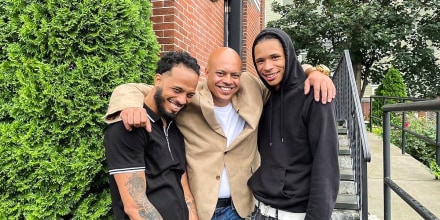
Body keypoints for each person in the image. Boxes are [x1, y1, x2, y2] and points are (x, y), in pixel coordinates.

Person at [104, 47, 335, 220]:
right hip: (201, 208)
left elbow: (285, 79)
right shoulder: (190, 96)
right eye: (221, 73)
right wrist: (129, 106)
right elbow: (134, 89)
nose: (228, 81)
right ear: (207, 73)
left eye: (235, 75)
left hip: (240, 207)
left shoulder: (253, 90)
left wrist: (314, 72)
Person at [247, 28, 339, 220]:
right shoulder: (264, 97)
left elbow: (326, 166)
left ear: (288, 56)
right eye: (260, 61)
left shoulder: (315, 95)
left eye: (275, 57)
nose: (268, 66)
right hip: (260, 211)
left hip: (295, 214)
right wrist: (310, 69)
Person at [103, 51, 200, 220]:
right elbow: (136, 206)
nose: (182, 100)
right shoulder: (127, 126)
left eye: (189, 95)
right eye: (177, 90)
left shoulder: (174, 127)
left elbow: (185, 191)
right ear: (158, 80)